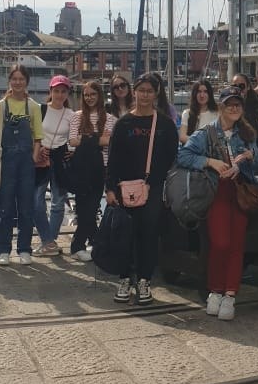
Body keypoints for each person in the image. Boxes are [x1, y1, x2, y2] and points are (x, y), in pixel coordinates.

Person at [176, 86, 257, 319]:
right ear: (221, 107)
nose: (234, 108)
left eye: (237, 105)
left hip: (240, 191)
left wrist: (250, 156)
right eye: (229, 105)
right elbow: (183, 156)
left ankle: (230, 294)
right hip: (216, 191)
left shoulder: (246, 133)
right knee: (220, 243)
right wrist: (210, 162)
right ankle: (215, 290)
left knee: (237, 245)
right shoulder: (206, 133)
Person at [104, 73, 178, 305]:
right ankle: (124, 278)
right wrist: (110, 188)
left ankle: (145, 279)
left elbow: (172, 157)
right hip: (125, 187)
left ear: (156, 94)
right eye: (141, 90)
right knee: (125, 235)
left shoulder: (165, 124)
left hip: (153, 188)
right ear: (134, 92)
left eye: (149, 91)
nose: (145, 95)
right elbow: (113, 159)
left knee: (149, 235)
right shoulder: (123, 124)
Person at [0, 64, 44, 266]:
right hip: (6, 161)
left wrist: (34, 157)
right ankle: (3, 250)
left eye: (21, 79)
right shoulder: (0, 106)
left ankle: (24, 249)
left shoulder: (34, 107)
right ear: (9, 81)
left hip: (26, 162)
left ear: (26, 81)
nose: (18, 82)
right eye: (14, 79)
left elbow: (38, 137)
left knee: (26, 208)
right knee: (4, 208)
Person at [66, 79, 113, 263]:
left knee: (92, 207)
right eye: (86, 95)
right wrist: (96, 139)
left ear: (99, 95)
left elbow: (107, 142)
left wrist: (85, 138)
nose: (89, 98)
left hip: (101, 166)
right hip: (81, 167)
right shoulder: (77, 116)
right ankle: (86, 245)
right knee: (83, 208)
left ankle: (83, 244)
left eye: (93, 94)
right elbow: (72, 141)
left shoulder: (109, 118)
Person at [34, 74, 74, 257]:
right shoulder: (40, 109)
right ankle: (48, 240)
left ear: (67, 93)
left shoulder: (71, 115)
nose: (59, 95)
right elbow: (32, 133)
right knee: (36, 202)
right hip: (41, 157)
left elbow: (75, 136)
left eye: (63, 91)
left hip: (60, 159)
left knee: (58, 203)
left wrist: (73, 151)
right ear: (50, 91)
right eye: (56, 91)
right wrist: (37, 149)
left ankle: (49, 242)